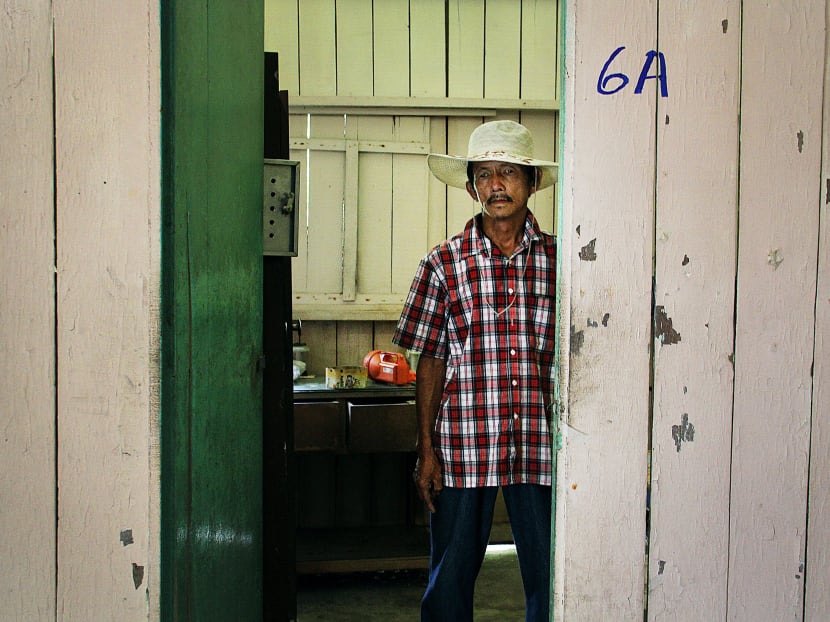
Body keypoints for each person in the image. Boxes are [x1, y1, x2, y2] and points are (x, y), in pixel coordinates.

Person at [392, 120, 558, 622]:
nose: (496, 184)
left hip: (541, 443)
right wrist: (426, 450)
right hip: (464, 443)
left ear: (532, 183)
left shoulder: (562, 260)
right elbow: (431, 359)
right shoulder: (443, 263)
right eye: (484, 174)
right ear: (471, 188)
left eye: (508, 172)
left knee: (554, 576)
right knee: (450, 574)